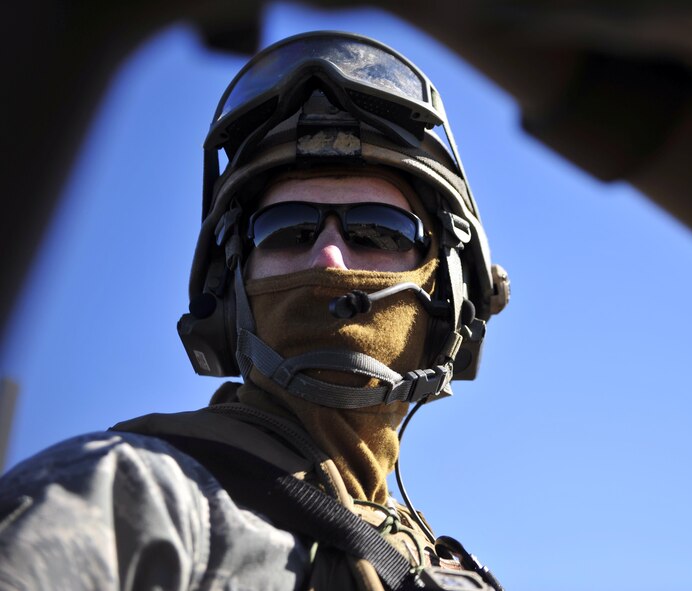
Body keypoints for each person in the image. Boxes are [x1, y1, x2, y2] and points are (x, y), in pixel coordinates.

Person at [0, 31, 510, 591]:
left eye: (377, 230)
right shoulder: (128, 496)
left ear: (450, 294)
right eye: (287, 229)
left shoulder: (441, 567)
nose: (330, 260)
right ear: (232, 286)